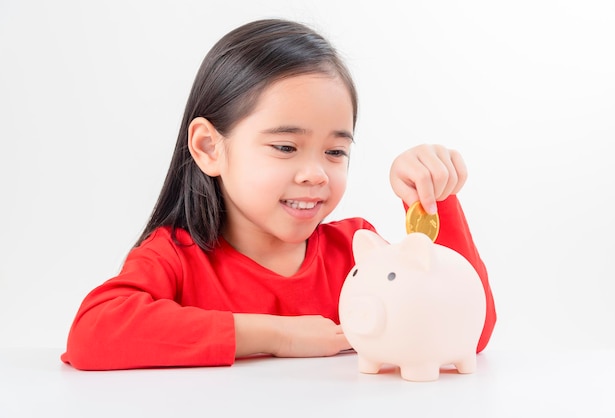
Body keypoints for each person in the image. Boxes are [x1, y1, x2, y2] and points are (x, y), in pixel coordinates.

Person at [61, 18, 496, 371]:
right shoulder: (174, 258)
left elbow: (465, 332)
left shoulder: (355, 253)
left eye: (335, 151)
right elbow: (92, 333)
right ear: (209, 148)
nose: (315, 174)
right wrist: (278, 335)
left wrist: (430, 198)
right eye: (285, 147)